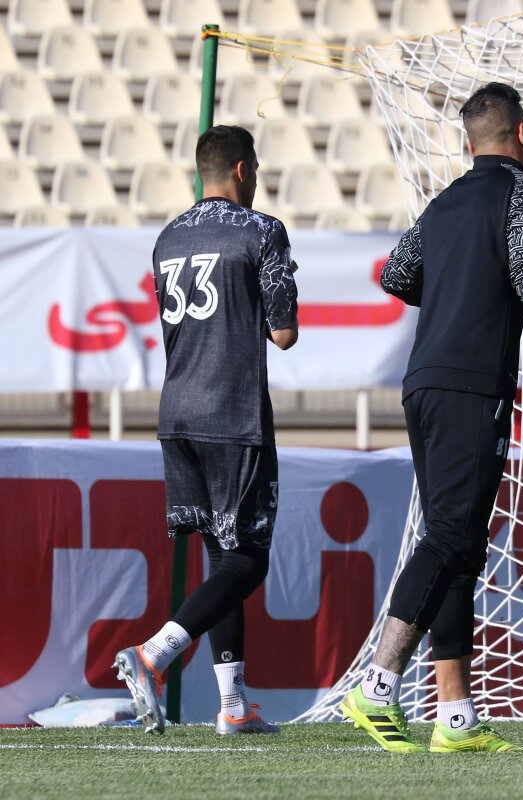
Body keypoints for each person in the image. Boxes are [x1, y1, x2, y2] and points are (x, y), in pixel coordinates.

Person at [340, 82, 523, 754]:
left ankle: (456, 716)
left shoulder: (443, 201)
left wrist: (459, 283)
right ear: (521, 134)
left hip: (423, 381)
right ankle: (378, 683)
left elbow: (396, 275)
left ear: (470, 144)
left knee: (461, 544)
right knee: (449, 536)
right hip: (472, 385)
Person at [113, 124, 299, 735]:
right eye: (256, 169)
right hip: (232, 414)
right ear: (243, 170)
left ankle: (232, 706)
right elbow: (284, 333)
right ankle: (154, 654)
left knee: (221, 557)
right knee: (248, 561)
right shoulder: (261, 230)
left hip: (178, 414)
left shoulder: (168, 236)